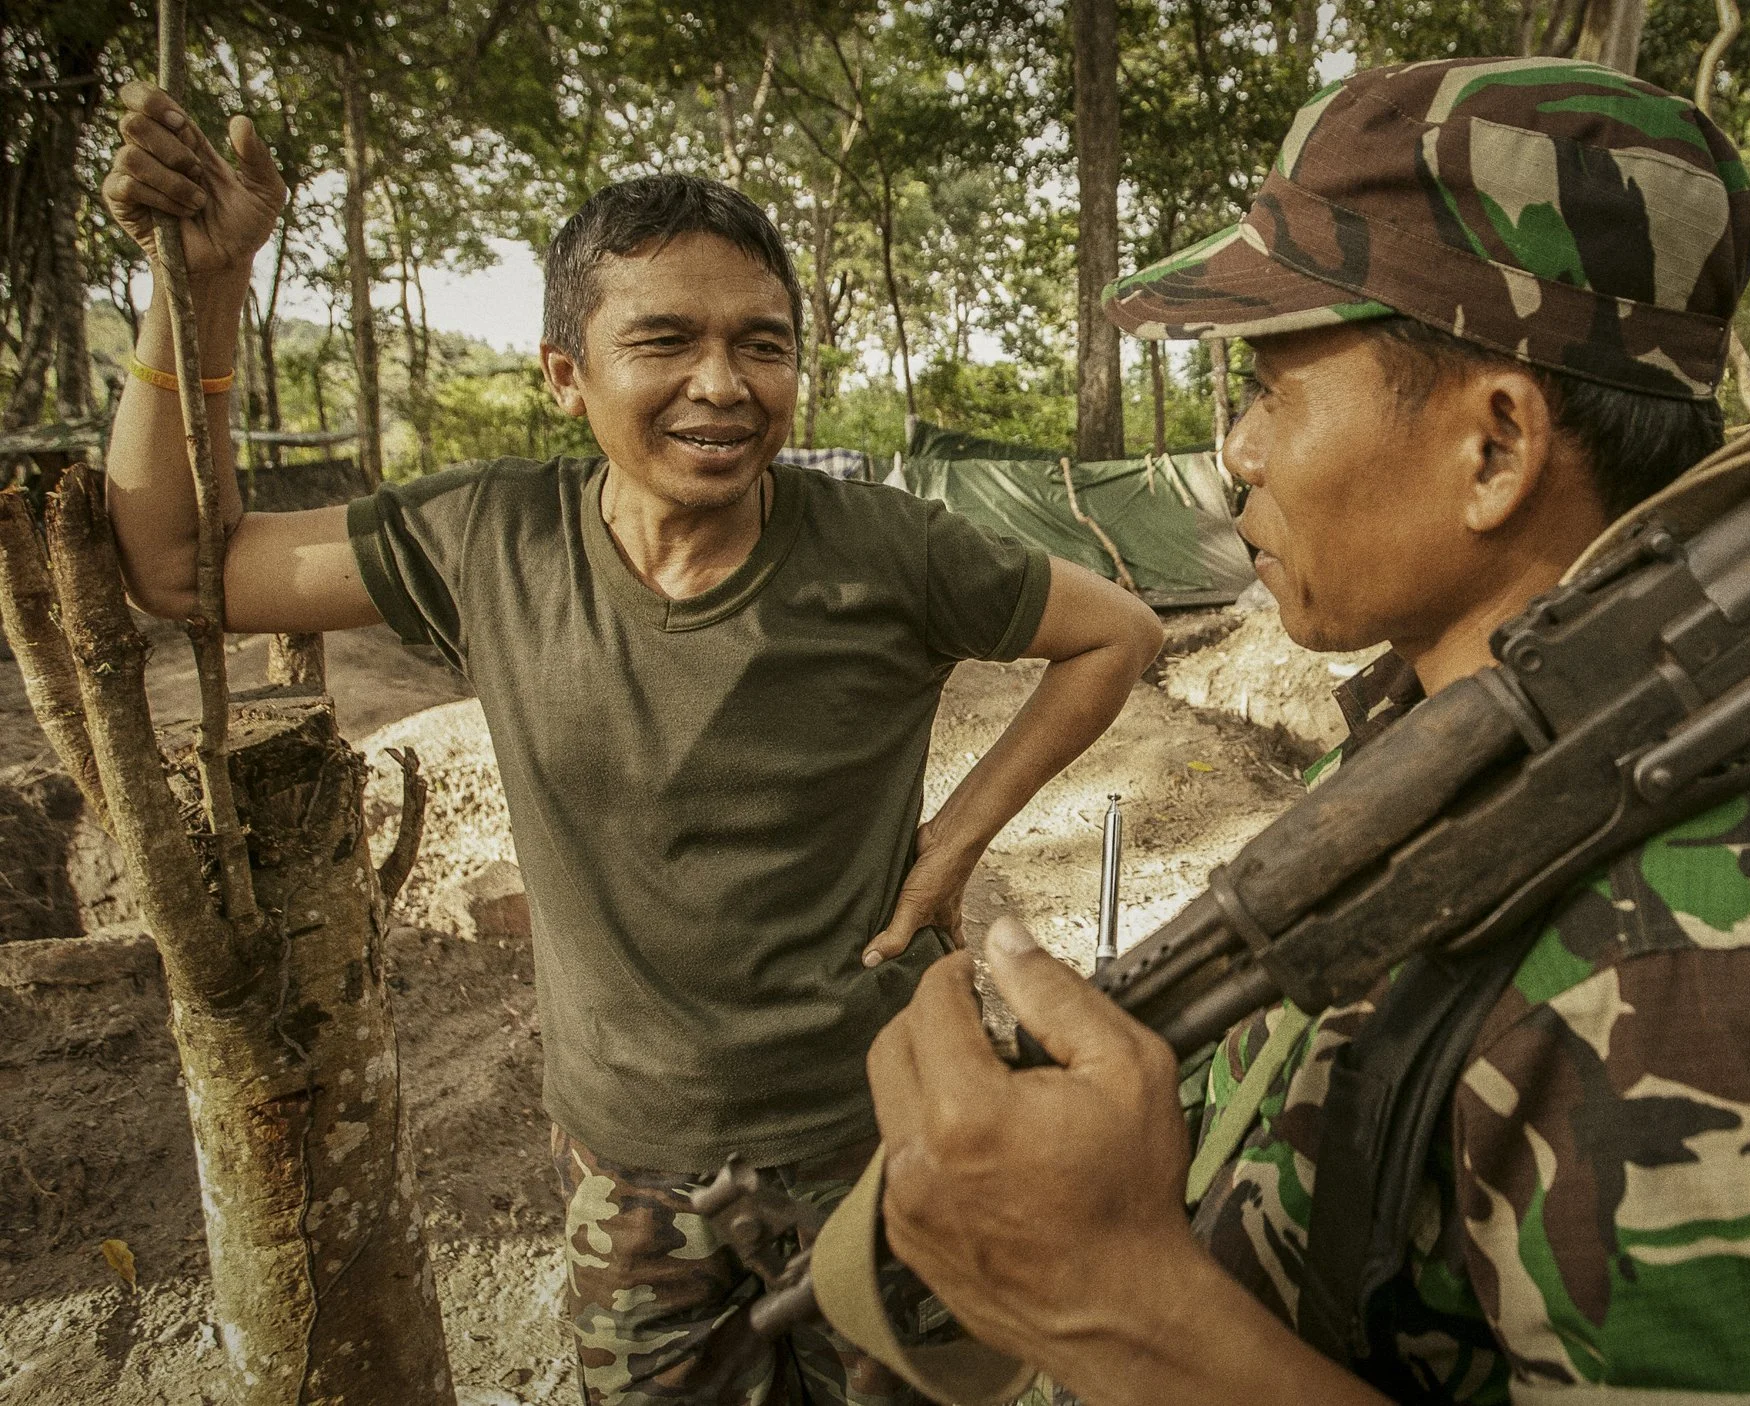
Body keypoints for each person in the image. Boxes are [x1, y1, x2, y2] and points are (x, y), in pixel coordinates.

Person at [864, 59, 1750, 1406]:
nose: (1237, 454)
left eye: (1270, 384)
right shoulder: (1461, 733)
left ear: (1496, 445)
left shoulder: (1703, 988)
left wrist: (1121, 1309)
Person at [101, 84, 1162, 1406]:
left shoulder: (886, 550)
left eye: (761, 345)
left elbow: (1115, 630)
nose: (722, 383)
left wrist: (952, 844)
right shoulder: (491, 538)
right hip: (627, 1180)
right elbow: (183, 562)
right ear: (567, 375)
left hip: (885, 1137)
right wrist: (205, 283)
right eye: (665, 341)